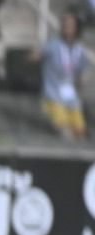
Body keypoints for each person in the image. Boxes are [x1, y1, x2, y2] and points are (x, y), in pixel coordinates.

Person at [40, 11, 88, 140]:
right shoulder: (53, 45)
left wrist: (79, 83)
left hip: (69, 93)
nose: (66, 28)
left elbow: (79, 71)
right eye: (64, 25)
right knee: (64, 130)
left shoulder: (80, 49)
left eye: (70, 25)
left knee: (80, 129)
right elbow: (37, 55)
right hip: (53, 92)